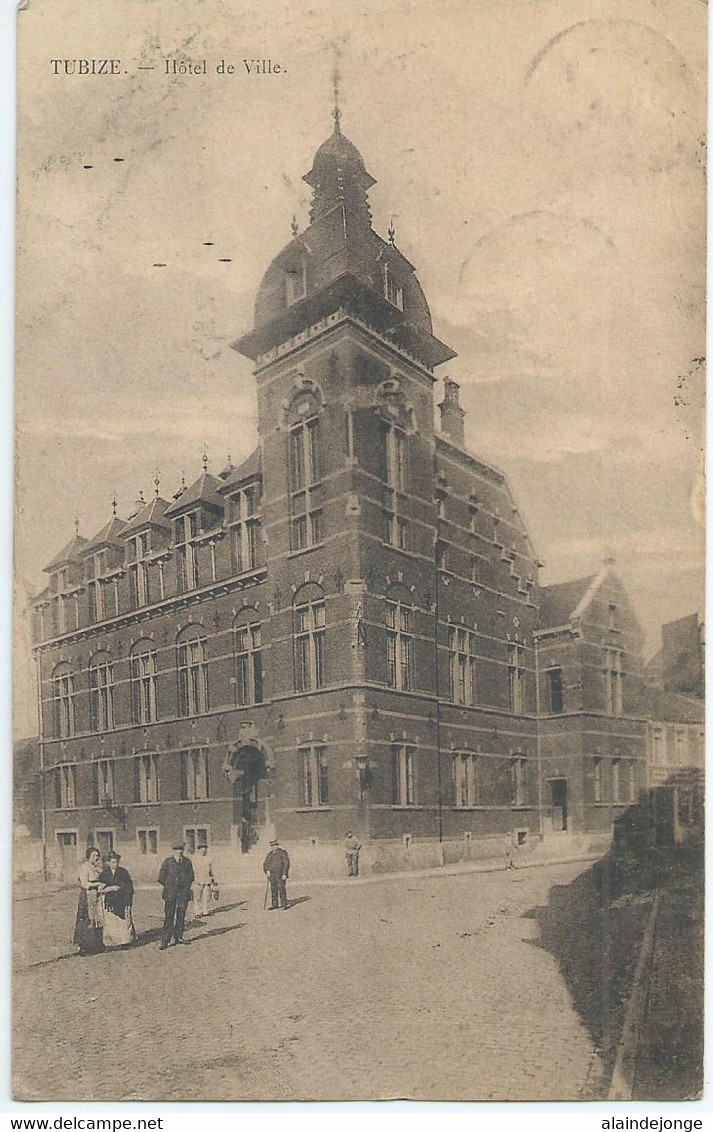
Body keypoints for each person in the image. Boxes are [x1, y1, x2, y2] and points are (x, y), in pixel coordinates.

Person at [157, 841, 195, 949]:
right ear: (173, 850)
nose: (179, 852)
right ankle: (165, 940)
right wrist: (170, 885)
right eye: (177, 850)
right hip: (170, 893)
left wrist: (184, 884)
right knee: (169, 916)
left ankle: (179, 936)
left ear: (183, 850)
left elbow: (192, 876)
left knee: (181, 915)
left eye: (181, 850)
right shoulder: (168, 862)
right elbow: (161, 877)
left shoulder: (187, 862)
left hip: (183, 893)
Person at [99, 851, 137, 948]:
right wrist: (110, 889)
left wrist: (127, 899)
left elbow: (129, 887)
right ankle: (113, 942)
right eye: (113, 862)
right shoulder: (105, 873)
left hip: (122, 900)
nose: (115, 864)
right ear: (108, 862)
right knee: (112, 922)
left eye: (116, 862)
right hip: (110, 902)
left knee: (124, 922)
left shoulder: (123, 872)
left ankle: (126, 942)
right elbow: (101, 888)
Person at [73, 846, 105, 955]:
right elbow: (84, 883)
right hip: (87, 896)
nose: (96, 858)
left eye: (97, 856)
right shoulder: (84, 867)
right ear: (88, 856)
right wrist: (97, 884)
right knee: (87, 919)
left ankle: (96, 944)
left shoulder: (96, 867)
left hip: (96, 895)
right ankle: (84, 946)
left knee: (97, 918)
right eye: (94, 856)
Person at [263, 838, 290, 910]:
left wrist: (284, 874)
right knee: (273, 889)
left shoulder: (282, 853)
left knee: (281, 889)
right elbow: (265, 864)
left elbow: (286, 863)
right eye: (272, 846)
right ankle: (275, 904)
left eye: (275, 845)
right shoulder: (269, 854)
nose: (273, 847)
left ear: (277, 846)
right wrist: (267, 871)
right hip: (272, 875)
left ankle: (284, 904)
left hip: (280, 874)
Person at [192, 841, 217, 918]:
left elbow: (211, 870)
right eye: (202, 848)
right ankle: (197, 912)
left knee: (206, 896)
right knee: (197, 897)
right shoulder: (195, 859)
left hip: (207, 881)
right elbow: (192, 871)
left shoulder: (209, 859)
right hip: (198, 881)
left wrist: (213, 880)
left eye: (205, 848)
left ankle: (206, 911)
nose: (204, 850)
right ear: (199, 850)